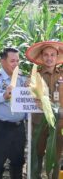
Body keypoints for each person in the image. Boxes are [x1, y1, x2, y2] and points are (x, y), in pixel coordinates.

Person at [25, 41, 63, 179]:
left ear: (56, 56)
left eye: (52, 55)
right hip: (38, 123)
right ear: (41, 57)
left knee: (56, 156)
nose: (49, 58)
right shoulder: (35, 76)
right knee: (37, 155)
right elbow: (27, 93)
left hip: (59, 124)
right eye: (46, 55)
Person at [0, 47, 27, 179]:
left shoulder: (22, 77)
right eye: (12, 61)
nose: (16, 64)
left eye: (17, 61)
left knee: (18, 161)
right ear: (2, 61)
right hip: (1, 127)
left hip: (18, 127)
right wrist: (5, 95)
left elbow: (27, 100)